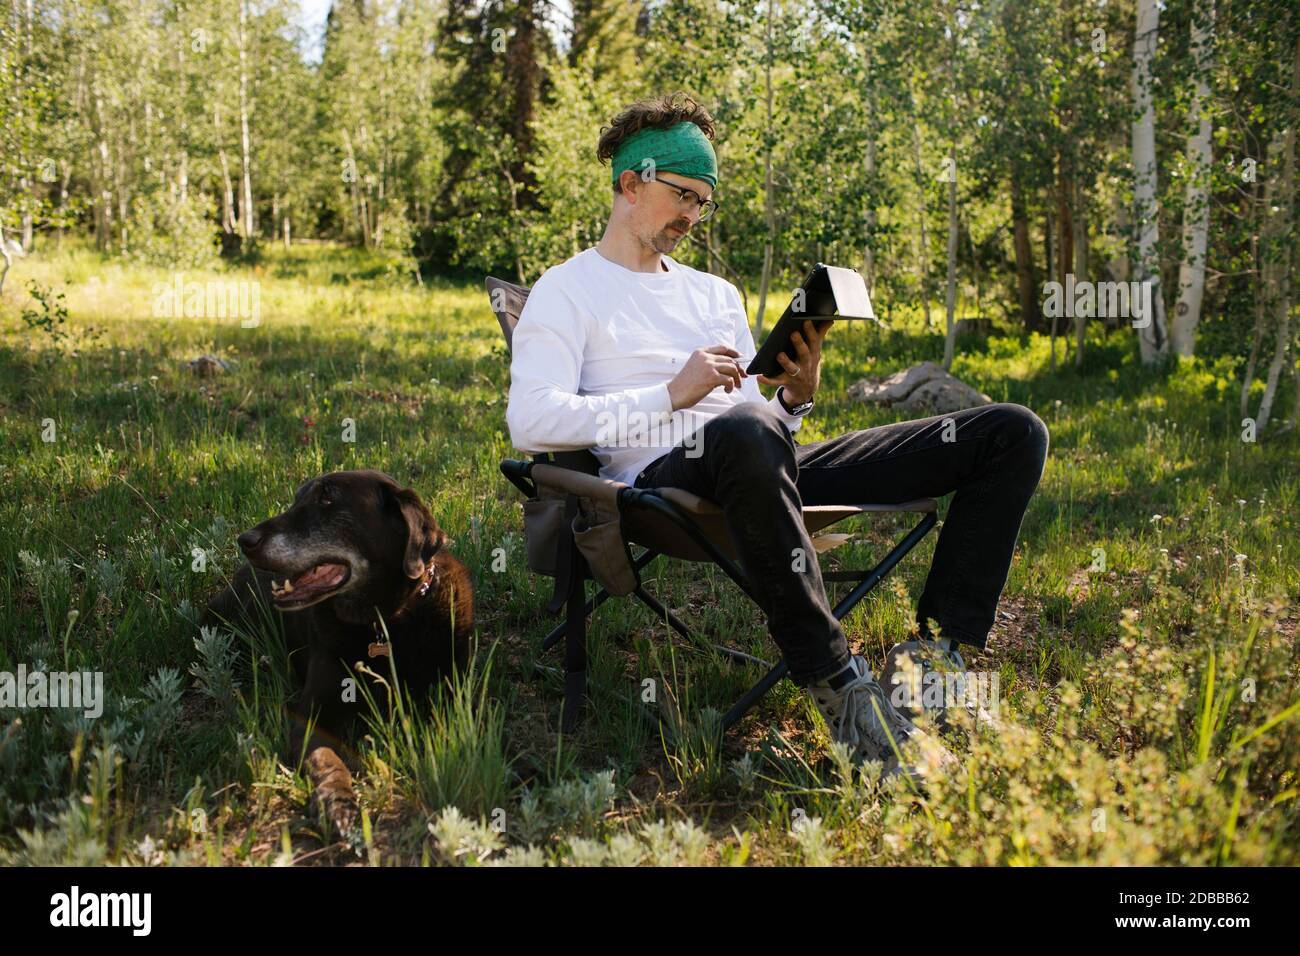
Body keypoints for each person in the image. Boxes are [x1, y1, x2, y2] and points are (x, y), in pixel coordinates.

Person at [506, 92, 1048, 781]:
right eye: (682, 197)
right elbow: (533, 420)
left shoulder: (714, 294)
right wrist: (672, 394)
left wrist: (793, 397)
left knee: (1010, 432)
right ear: (629, 183)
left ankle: (932, 663)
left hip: (759, 464)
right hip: (662, 485)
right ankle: (842, 691)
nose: (692, 217)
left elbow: (757, 419)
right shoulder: (567, 290)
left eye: (704, 203)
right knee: (742, 429)